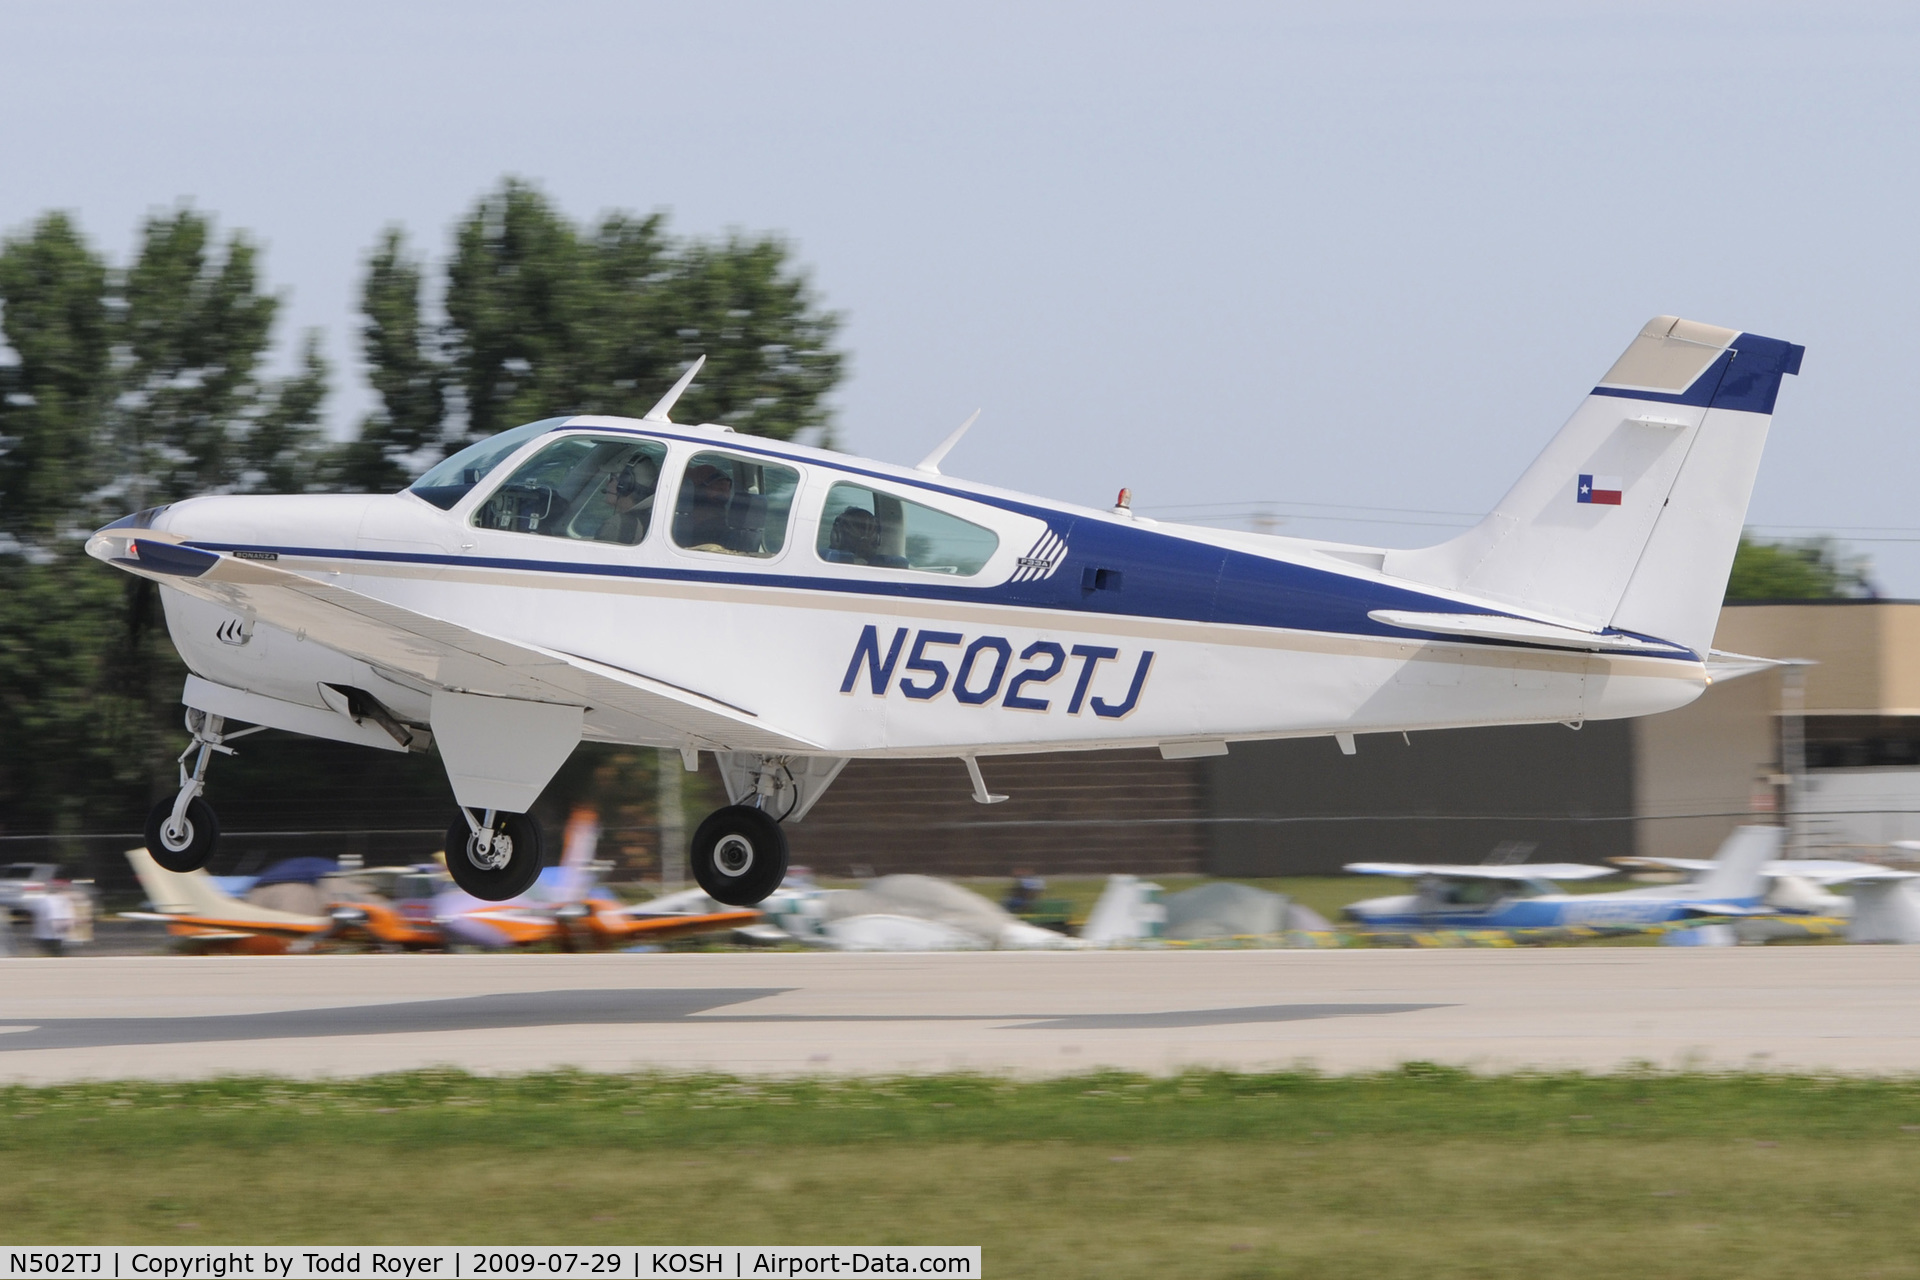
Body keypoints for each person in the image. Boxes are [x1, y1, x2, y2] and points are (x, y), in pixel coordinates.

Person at [675, 463, 744, 553]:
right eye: (718, 488)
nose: (724, 494)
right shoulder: (674, 525)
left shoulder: (725, 535)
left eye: (727, 490)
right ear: (696, 490)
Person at [594, 454, 658, 544]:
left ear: (624, 485)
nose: (607, 482)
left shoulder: (617, 525)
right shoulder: (651, 519)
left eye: (612, 478)